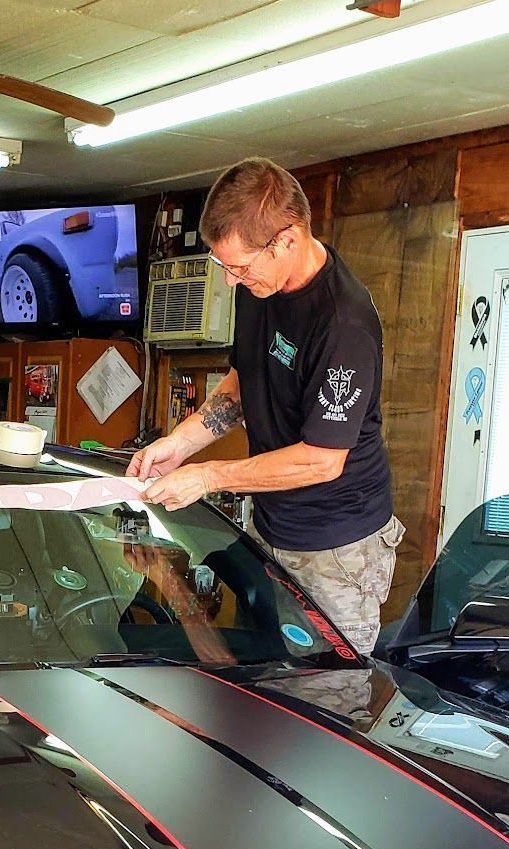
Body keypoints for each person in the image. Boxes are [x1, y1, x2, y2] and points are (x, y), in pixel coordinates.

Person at [129, 157, 404, 656]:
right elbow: (243, 380)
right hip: (272, 527)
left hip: (337, 545)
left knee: (328, 697)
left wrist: (208, 477)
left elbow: (322, 458)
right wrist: (179, 444)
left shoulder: (344, 325)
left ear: (288, 240)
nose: (232, 280)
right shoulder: (260, 284)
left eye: (240, 266)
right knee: (263, 678)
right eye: (223, 266)